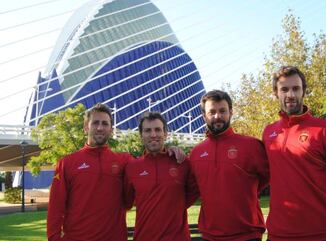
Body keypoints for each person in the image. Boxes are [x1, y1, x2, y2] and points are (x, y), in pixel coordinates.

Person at [47, 104, 185, 241]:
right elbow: (55, 207)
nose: (100, 128)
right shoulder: (67, 163)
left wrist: (169, 151)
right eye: (95, 123)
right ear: (85, 128)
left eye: (105, 124)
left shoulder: (124, 161)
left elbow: (150, 162)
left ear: (111, 130)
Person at [262, 66, 326, 241]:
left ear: (304, 91)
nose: (290, 95)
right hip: (277, 235)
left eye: (296, 88)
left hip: (320, 234)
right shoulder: (268, 133)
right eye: (284, 89)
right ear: (276, 93)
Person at [189, 90, 269, 241]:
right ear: (203, 116)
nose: (217, 116)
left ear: (231, 112)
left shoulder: (251, 146)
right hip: (210, 236)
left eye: (222, 111)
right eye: (212, 112)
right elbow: (191, 190)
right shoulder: (196, 153)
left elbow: (268, 178)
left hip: (248, 235)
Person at [124, 112, 198, 241]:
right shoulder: (132, 168)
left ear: (165, 134)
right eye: (148, 130)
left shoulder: (182, 163)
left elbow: (192, 195)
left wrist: (174, 206)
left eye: (158, 130)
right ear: (141, 135)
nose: (153, 135)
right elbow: (127, 201)